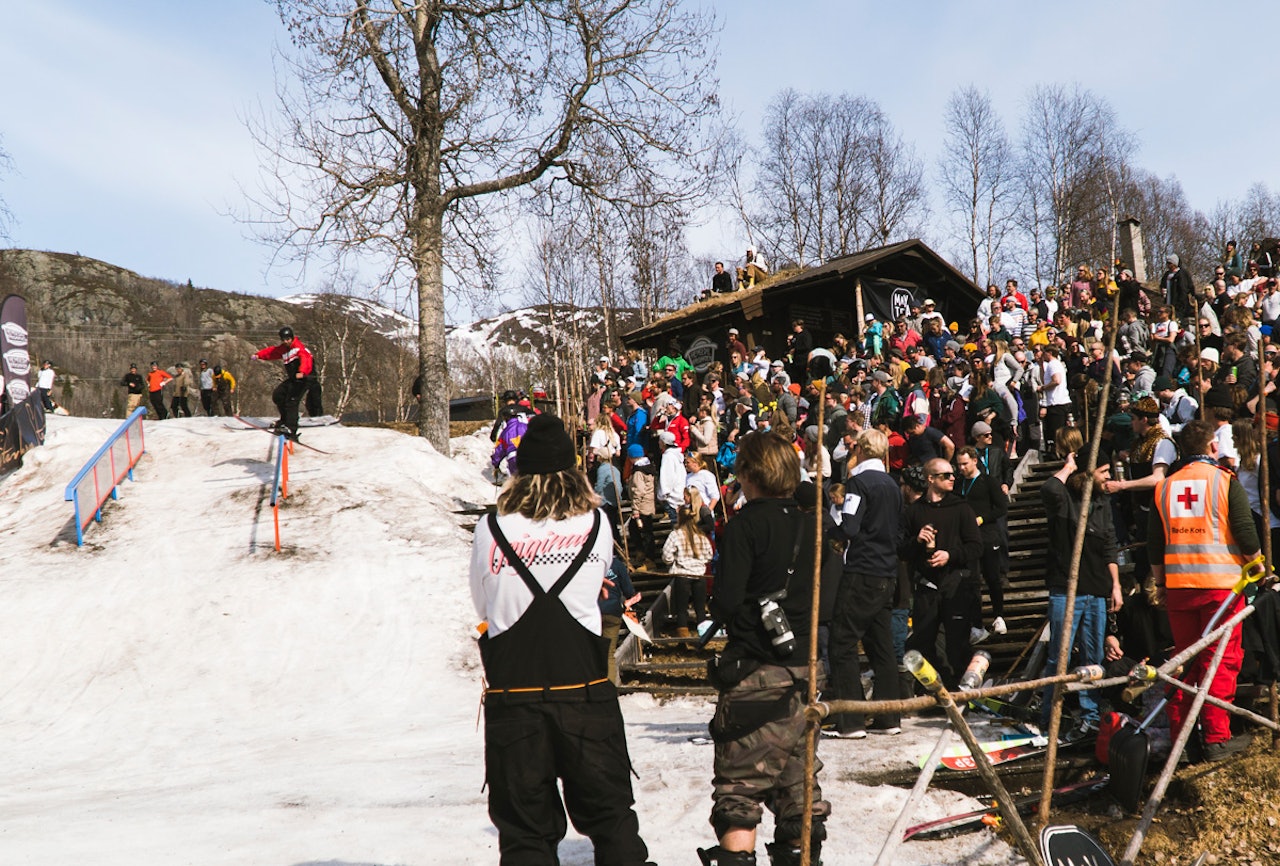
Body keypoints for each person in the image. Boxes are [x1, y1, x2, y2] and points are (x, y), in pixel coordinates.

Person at [470, 413, 653, 864]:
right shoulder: (596, 524)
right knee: (612, 820)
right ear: (573, 469)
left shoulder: (490, 527)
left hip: (515, 697)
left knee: (525, 834)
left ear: (519, 471)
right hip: (583, 693)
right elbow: (592, 583)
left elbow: (484, 608)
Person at [699, 430, 829, 866]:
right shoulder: (815, 525)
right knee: (798, 786)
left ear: (752, 473)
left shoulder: (746, 526)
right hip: (806, 668)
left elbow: (729, 601)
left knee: (740, 788)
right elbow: (828, 600)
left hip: (757, 672)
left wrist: (749, 624)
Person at [1148, 419, 1260, 761]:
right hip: (1221, 588)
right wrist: (1257, 563)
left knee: (1184, 662)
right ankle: (1216, 738)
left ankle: (1181, 740)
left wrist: (1161, 583)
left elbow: (1155, 544)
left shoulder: (1165, 487)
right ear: (1213, 447)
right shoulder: (1224, 481)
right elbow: (1244, 529)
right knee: (1220, 662)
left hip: (1180, 587)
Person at [825, 428, 903, 739]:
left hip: (862, 570)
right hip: (887, 571)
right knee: (880, 645)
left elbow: (851, 526)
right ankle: (889, 717)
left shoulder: (859, 482)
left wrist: (832, 529)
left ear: (860, 450)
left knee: (841, 643)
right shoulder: (892, 484)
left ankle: (851, 721)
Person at [1038, 449, 1122, 740]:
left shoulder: (1102, 502)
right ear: (1087, 474)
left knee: (1093, 657)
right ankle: (1050, 717)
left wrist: (1116, 585)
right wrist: (1068, 467)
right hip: (1066, 590)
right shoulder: (1064, 501)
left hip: (1096, 590)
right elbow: (1048, 487)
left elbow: (1110, 544)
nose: (1109, 477)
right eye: (1103, 471)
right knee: (1058, 657)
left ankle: (1089, 717)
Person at [902, 458, 983, 686]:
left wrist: (950, 555)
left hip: (956, 585)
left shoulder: (961, 507)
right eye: (946, 475)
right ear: (930, 479)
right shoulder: (913, 512)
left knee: (957, 644)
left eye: (952, 474)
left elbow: (976, 546)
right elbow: (901, 550)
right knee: (923, 642)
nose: (952, 478)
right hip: (926, 587)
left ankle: (961, 694)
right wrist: (918, 541)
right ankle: (932, 693)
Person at [955, 446, 1009, 636]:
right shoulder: (958, 483)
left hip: (987, 535)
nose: (961, 468)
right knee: (971, 580)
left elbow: (1002, 507)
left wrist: (982, 518)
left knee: (992, 577)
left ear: (974, 461)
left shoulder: (988, 481)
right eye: (959, 464)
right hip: (968, 540)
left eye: (965, 464)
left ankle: (999, 616)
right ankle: (976, 624)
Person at [662, 492, 715, 638]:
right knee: (700, 608)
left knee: (681, 608)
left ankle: (683, 636)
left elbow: (666, 555)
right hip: (699, 575)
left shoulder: (676, 535)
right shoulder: (701, 535)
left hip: (683, 575)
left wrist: (673, 562)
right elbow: (709, 555)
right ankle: (704, 635)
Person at [251, 326, 314, 438]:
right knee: (278, 395)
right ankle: (284, 421)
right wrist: (258, 355)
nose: (286, 342)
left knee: (291, 401)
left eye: (288, 339)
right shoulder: (284, 349)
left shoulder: (298, 348)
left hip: (304, 379)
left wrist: (302, 371)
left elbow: (306, 359)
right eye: (283, 339)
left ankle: (291, 429)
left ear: (292, 338)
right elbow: (272, 352)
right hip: (294, 379)